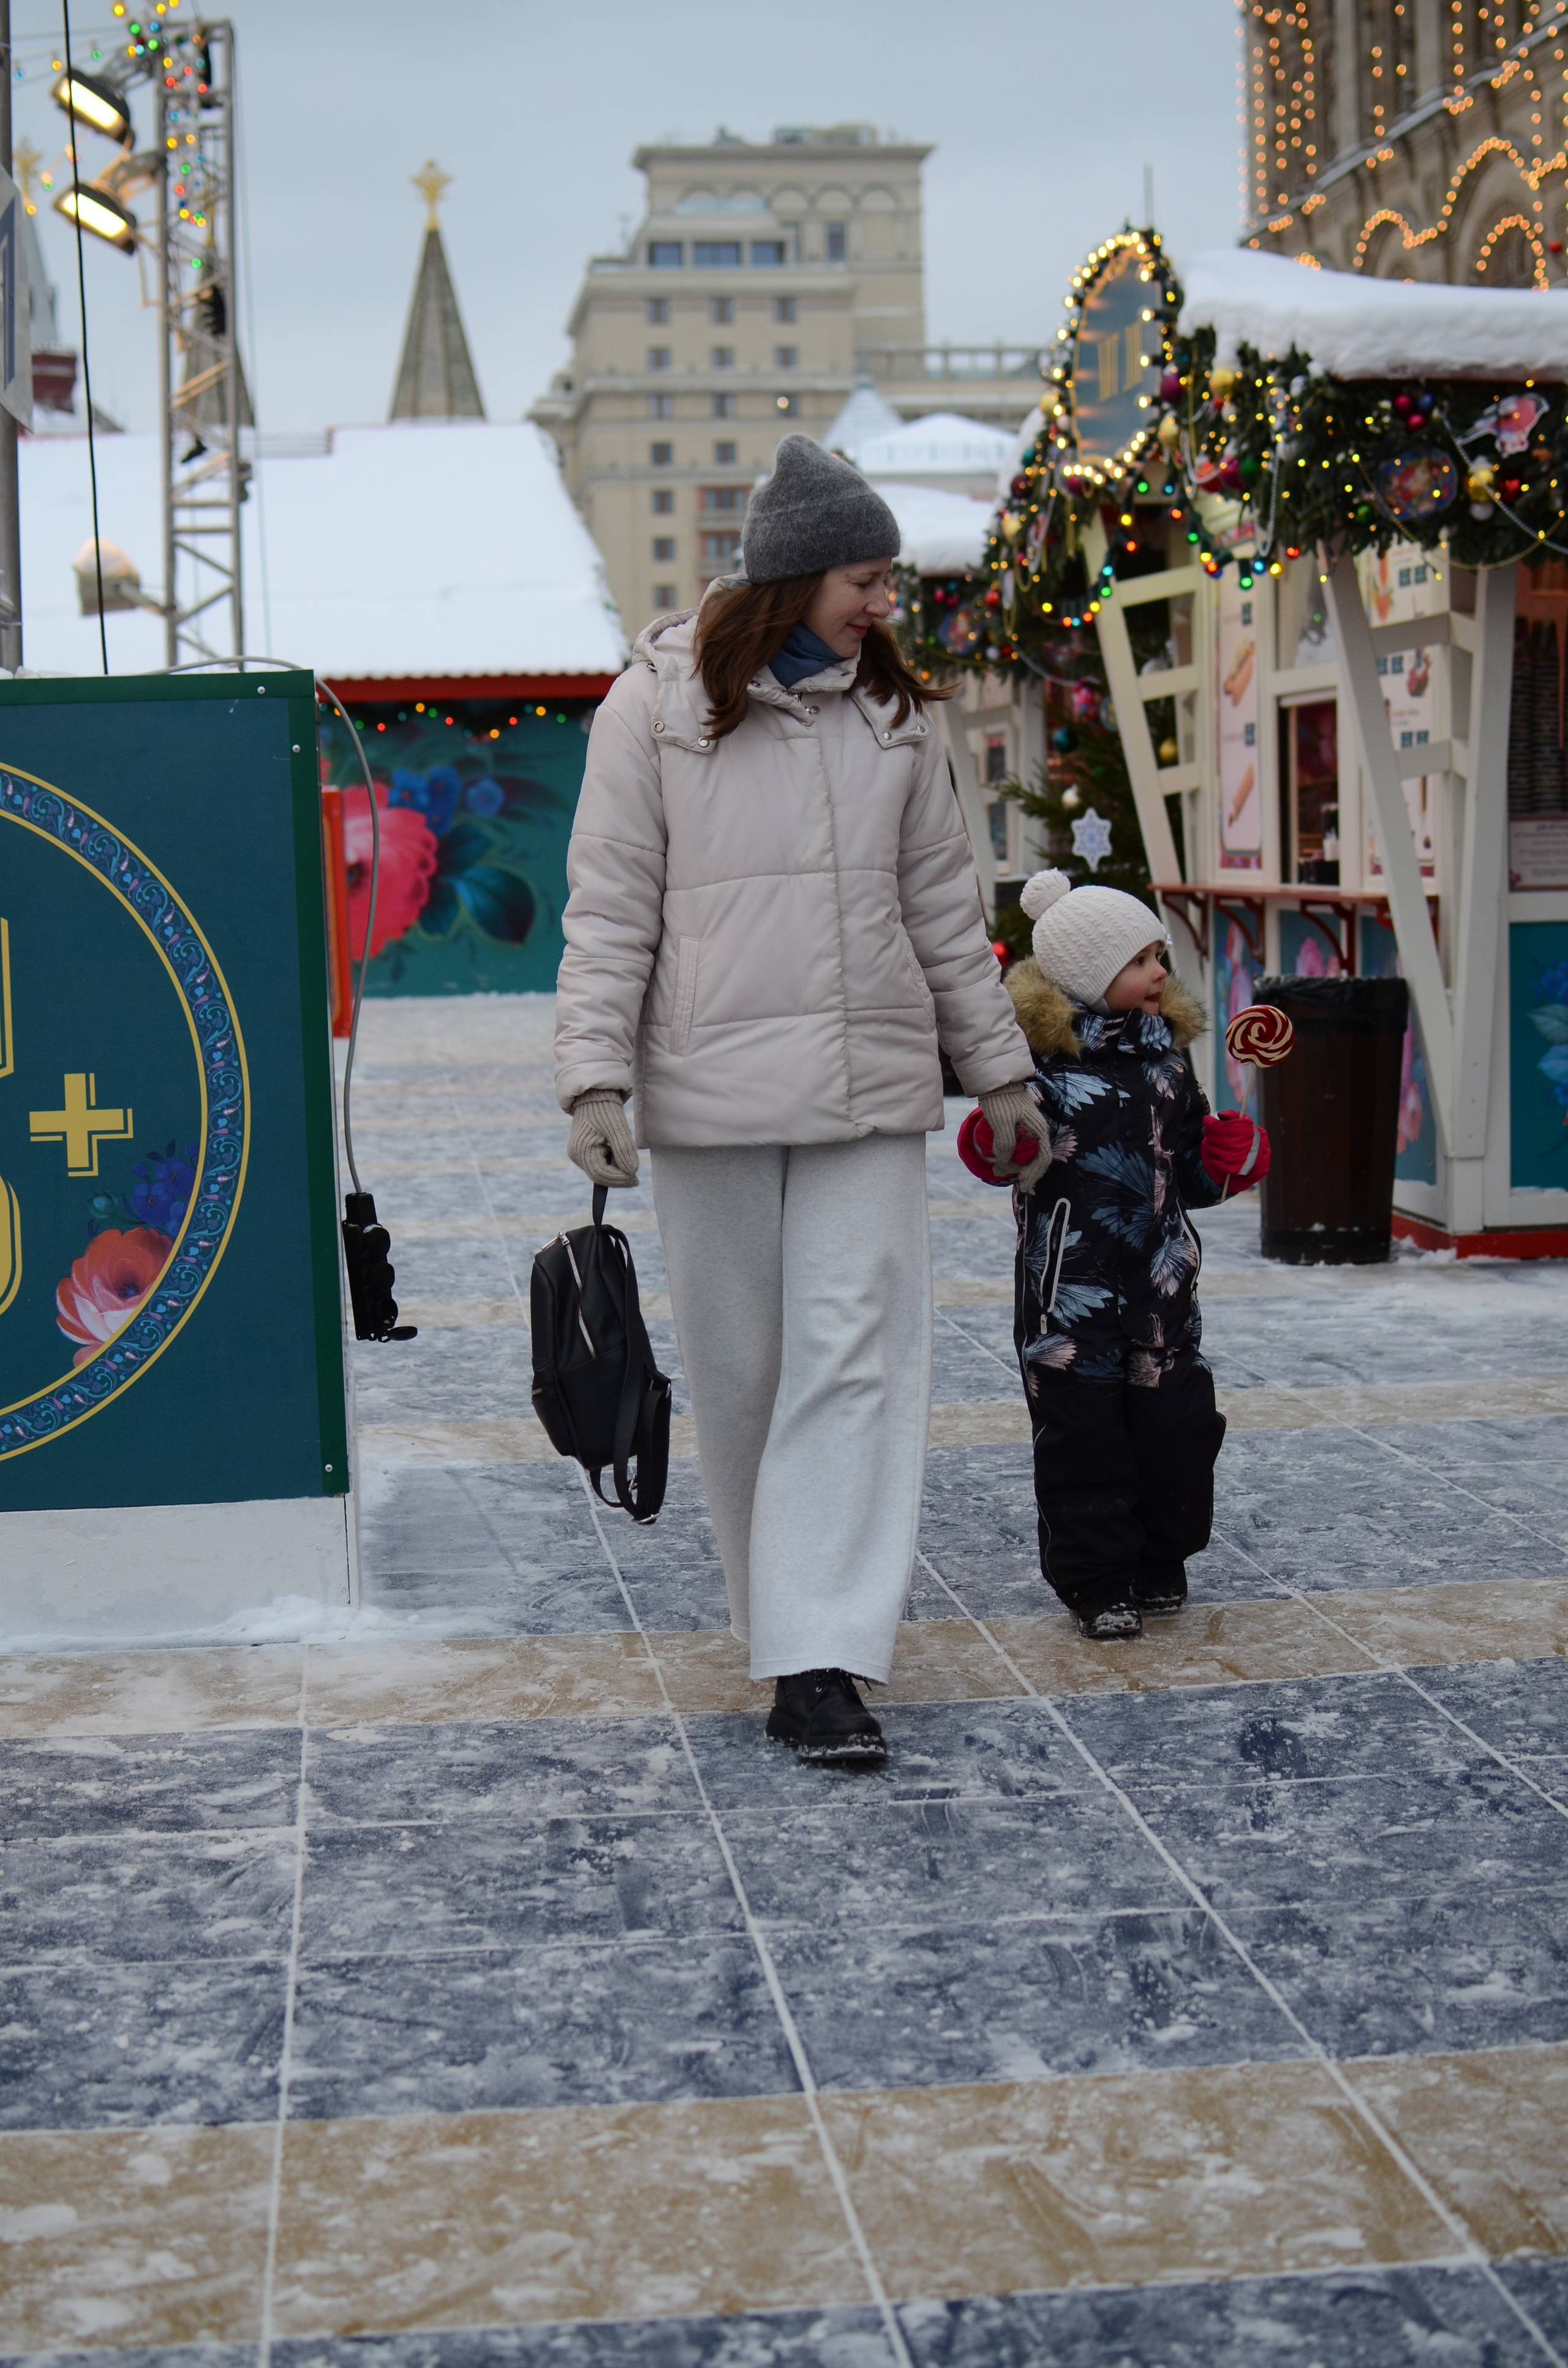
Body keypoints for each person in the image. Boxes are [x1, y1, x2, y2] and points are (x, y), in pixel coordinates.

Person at [554, 435, 1047, 1766]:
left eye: (885, 579)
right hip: (709, 1096)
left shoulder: (892, 718)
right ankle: (779, 1616)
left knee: (853, 1362)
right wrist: (594, 1075)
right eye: (863, 578)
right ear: (790, 578)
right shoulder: (650, 707)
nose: (882, 603)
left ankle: (817, 1657)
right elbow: (607, 908)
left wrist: (997, 1069)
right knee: (743, 1374)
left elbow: (946, 912)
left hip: (866, 1090)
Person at [957, 869, 1270, 1641]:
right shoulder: (1039, 1068)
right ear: (1089, 976)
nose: (1160, 973)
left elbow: (1188, 1173)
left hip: (1161, 1288)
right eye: (1140, 961)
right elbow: (1009, 1151)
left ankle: (1163, 1557)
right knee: (1084, 1439)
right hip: (1071, 1295)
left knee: (1176, 1428)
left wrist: (1229, 1160)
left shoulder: (1169, 1064)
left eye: (1158, 956)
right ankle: (1096, 1580)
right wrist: (996, 1145)